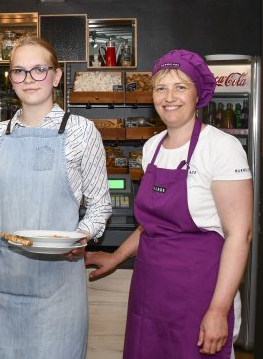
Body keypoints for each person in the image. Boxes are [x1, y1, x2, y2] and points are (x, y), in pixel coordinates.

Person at [85, 49, 253, 359]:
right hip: (150, 289)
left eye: (180, 87)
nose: (169, 97)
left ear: (198, 94)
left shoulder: (221, 147)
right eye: (161, 88)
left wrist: (218, 310)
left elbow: (239, 235)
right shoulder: (152, 147)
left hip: (200, 290)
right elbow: (152, 225)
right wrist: (116, 257)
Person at [0, 36, 111, 358]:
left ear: (56, 76)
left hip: (58, 280)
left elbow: (100, 206)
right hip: (5, 278)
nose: (28, 79)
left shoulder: (81, 131)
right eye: (19, 71)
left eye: (39, 69)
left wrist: (82, 237)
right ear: (10, 78)